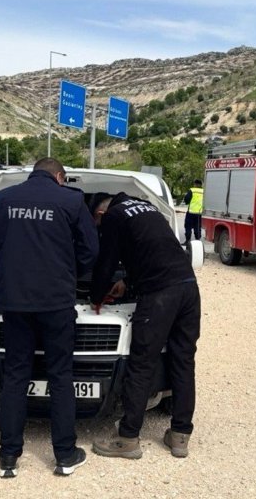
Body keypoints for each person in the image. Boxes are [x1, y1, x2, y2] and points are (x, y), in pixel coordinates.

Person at [0, 158, 98, 478]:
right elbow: (90, 249)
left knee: (16, 375)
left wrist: (2, 275)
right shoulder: (72, 200)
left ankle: (8, 457)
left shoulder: (3, 199)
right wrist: (73, 275)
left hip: (14, 303)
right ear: (59, 177)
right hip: (56, 302)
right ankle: (65, 455)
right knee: (60, 376)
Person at [89, 192, 201, 460]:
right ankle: (180, 436)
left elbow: (106, 262)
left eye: (96, 223)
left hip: (160, 295)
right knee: (183, 361)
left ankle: (127, 439)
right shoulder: (147, 208)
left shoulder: (114, 216)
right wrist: (128, 282)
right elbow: (154, 251)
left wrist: (96, 297)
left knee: (141, 364)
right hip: (188, 288)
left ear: (101, 215)